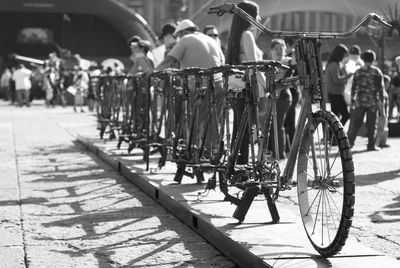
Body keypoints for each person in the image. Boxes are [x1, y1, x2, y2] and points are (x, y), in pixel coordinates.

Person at [156, 18, 225, 152]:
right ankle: (213, 153)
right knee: (214, 121)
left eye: (179, 35)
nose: (178, 39)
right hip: (219, 83)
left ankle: (198, 153)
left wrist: (154, 72)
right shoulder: (211, 40)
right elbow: (222, 60)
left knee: (197, 121)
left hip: (201, 85)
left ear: (184, 32)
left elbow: (169, 60)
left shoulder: (186, 39)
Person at [225, 0, 265, 164]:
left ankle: (235, 165)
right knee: (247, 131)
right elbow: (253, 65)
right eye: (256, 15)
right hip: (247, 88)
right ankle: (242, 166)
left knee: (239, 130)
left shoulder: (236, 35)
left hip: (236, 87)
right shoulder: (247, 35)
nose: (258, 18)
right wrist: (268, 84)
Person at [348, 50, 384, 151]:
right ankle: (371, 145)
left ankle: (350, 143)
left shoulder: (358, 71)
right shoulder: (377, 72)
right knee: (372, 124)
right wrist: (382, 102)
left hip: (359, 101)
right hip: (372, 102)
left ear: (363, 59)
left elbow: (353, 88)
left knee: (355, 123)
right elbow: (381, 89)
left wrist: (352, 101)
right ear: (373, 59)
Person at [269, 38, 293, 159]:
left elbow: (292, 66)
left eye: (281, 48)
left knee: (278, 125)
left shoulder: (287, 61)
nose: (279, 51)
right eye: (276, 48)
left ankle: (279, 152)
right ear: (271, 50)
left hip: (283, 96)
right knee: (278, 124)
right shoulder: (270, 63)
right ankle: (281, 150)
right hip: (275, 97)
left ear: (285, 48)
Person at [325, 44, 353, 129]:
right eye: (344, 55)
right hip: (335, 93)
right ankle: (337, 133)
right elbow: (337, 80)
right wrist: (348, 76)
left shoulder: (336, 64)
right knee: (346, 115)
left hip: (336, 92)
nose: (345, 57)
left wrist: (344, 69)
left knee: (335, 116)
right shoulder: (334, 65)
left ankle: (331, 135)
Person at [375, 74, 391, 148]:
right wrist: (382, 114)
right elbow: (380, 103)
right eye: (387, 83)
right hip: (381, 114)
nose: (388, 85)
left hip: (385, 114)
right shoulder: (381, 92)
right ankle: (376, 144)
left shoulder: (385, 92)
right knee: (380, 129)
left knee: (384, 129)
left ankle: (383, 143)